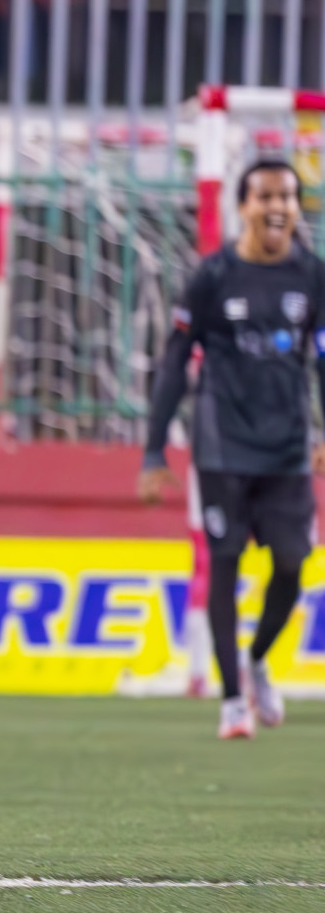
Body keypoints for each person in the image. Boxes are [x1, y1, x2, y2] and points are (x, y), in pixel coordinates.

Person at [140, 159, 325, 740]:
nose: (278, 206)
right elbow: (175, 362)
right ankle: (229, 700)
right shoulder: (213, 275)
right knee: (224, 563)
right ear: (243, 204)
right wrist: (152, 452)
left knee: (293, 566)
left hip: (288, 449)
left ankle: (257, 660)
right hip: (221, 447)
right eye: (267, 195)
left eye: (289, 197)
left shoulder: (313, 275)